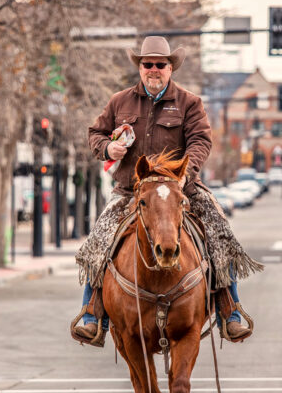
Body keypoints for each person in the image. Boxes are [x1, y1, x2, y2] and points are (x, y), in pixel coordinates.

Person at [72, 36, 262, 346]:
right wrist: (108, 148)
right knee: (100, 238)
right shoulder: (120, 101)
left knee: (219, 231)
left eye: (161, 64)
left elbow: (201, 140)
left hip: (180, 188)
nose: (154, 69)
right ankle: (92, 314)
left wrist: (186, 172)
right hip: (130, 190)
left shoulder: (190, 103)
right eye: (148, 64)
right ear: (140, 67)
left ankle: (231, 310)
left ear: (170, 67)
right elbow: (96, 133)